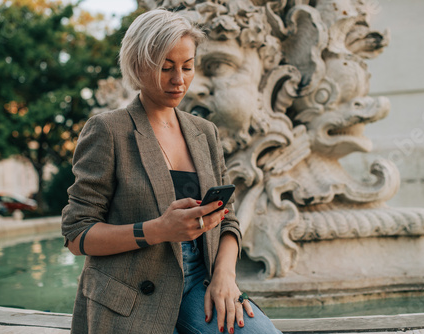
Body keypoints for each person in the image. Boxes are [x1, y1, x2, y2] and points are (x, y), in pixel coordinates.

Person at [61, 8, 281, 334]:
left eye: (187, 67)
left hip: (199, 285)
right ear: (138, 66)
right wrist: (159, 230)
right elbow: (77, 235)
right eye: (166, 68)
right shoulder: (108, 130)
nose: (179, 80)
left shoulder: (204, 132)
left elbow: (228, 218)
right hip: (129, 298)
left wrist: (224, 278)